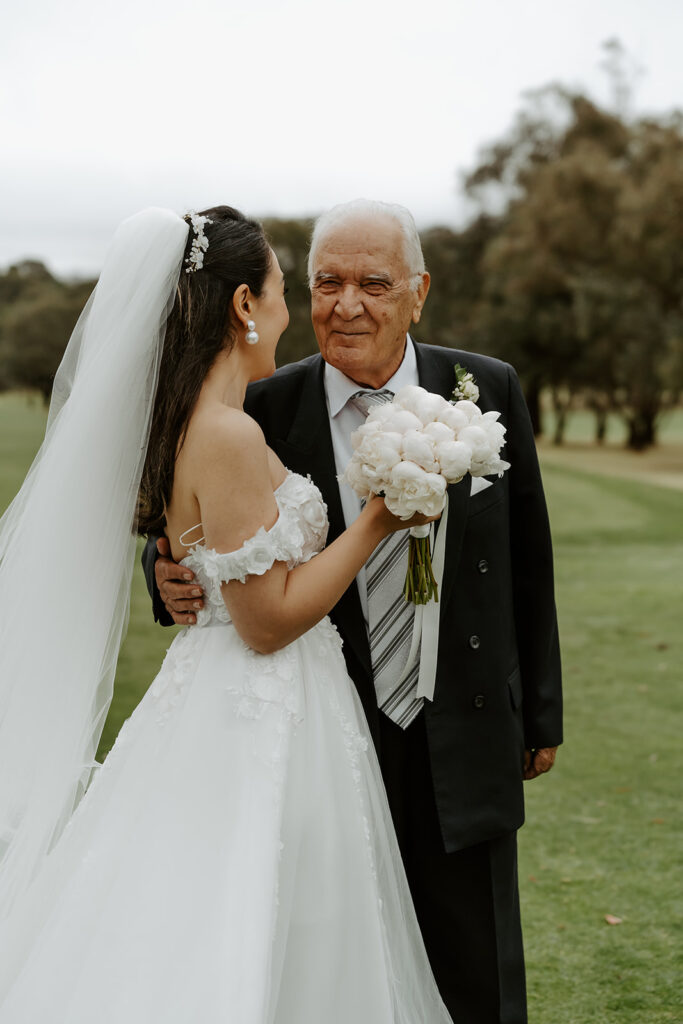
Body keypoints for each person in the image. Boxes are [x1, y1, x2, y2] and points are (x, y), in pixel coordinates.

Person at [0, 205, 454, 1022]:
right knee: (250, 907)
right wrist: (379, 521)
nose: (291, 313)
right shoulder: (227, 436)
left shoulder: (199, 424)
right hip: (257, 709)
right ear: (245, 304)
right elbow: (266, 621)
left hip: (227, 699)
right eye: (282, 290)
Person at [149, 199, 563, 1024]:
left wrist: (539, 711)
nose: (347, 306)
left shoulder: (485, 387)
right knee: (336, 966)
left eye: (374, 284)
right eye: (326, 283)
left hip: (464, 723)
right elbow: (196, 524)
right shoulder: (261, 404)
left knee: (477, 974)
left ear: (418, 293)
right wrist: (163, 576)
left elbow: (526, 556)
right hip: (322, 732)